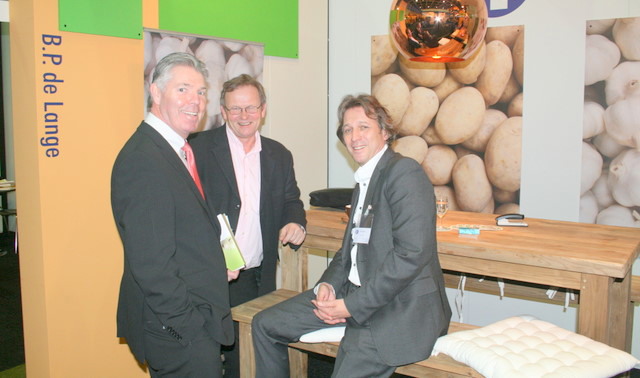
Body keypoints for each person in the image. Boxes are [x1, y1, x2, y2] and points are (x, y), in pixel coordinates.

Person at [251, 94, 451, 378]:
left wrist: (350, 306)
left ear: (384, 131)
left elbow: (410, 256)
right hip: (353, 294)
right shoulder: (365, 180)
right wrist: (329, 285)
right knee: (265, 325)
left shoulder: (404, 173)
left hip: (398, 307)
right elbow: (351, 250)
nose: (354, 137)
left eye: (363, 127)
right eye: (347, 129)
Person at [111, 52, 234, 377]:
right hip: (179, 330)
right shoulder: (144, 160)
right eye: (183, 89)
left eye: (201, 92)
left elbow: (181, 235)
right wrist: (189, 328)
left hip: (190, 321)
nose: (196, 101)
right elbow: (152, 265)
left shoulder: (174, 150)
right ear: (155, 92)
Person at [189, 74, 306, 377]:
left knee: (248, 359)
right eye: (236, 109)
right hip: (209, 276)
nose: (244, 116)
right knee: (205, 358)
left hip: (256, 276)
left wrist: (295, 221)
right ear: (223, 111)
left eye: (251, 108)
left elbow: (291, 199)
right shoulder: (197, 149)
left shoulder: (278, 154)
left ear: (263, 110)